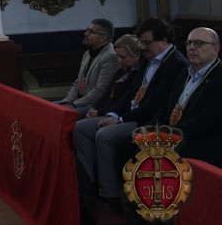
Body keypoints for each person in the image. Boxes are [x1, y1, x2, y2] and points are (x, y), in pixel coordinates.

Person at [73, 17, 188, 205]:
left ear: (164, 40)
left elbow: (155, 104)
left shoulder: (175, 64)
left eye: (147, 43)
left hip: (147, 120)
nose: (143, 47)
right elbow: (130, 94)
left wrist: (120, 119)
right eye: (141, 43)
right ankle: (88, 184)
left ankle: (109, 194)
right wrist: (113, 114)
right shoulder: (148, 60)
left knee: (104, 135)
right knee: (82, 128)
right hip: (130, 113)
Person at [150, 27, 222, 167]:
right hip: (177, 134)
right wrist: (152, 129)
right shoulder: (184, 73)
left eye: (199, 43)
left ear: (216, 49)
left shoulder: (218, 78)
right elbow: (167, 107)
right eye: (189, 43)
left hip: (202, 141)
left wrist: (167, 135)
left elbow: (205, 120)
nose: (192, 48)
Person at [57, 18, 119, 117]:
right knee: (48, 108)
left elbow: (101, 90)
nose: (86, 34)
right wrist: (66, 102)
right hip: (78, 101)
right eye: (87, 30)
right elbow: (77, 82)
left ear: (103, 38)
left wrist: (74, 105)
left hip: (93, 105)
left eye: (91, 32)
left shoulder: (111, 56)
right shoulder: (87, 54)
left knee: (59, 115)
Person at [85, 34, 142, 118]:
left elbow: (124, 101)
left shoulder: (138, 75)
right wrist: (94, 107)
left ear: (136, 55)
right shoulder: (121, 71)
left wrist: (100, 112)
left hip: (117, 114)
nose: (119, 61)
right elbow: (107, 94)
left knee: (81, 124)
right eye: (117, 56)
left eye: (123, 57)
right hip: (105, 109)